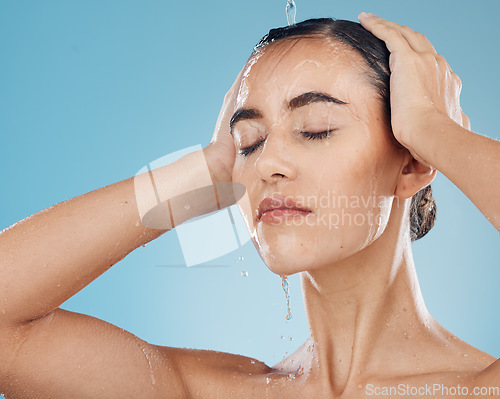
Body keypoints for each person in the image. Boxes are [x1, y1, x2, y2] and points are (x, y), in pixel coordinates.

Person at [0, 12, 499, 398]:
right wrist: (211, 168)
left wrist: (435, 133)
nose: (268, 164)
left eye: (316, 129)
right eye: (250, 141)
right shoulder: (206, 391)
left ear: (410, 165)